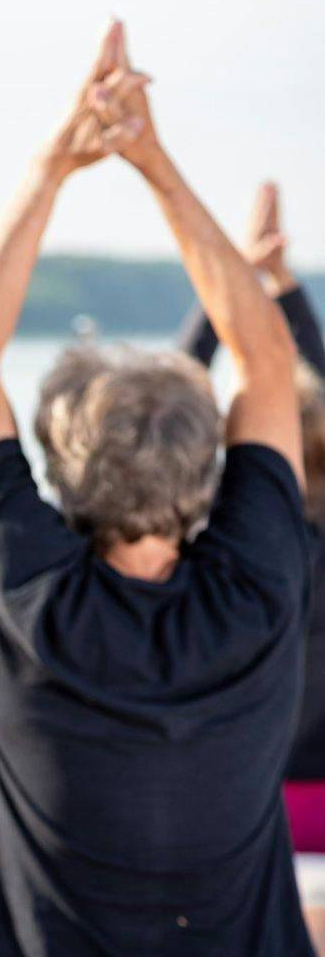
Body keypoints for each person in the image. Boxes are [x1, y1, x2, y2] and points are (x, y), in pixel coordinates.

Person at [0, 21, 312, 955]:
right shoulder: (258, 592)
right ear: (207, 472)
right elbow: (267, 357)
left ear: (64, 469)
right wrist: (152, 158)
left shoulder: (27, 592)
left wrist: (54, 164)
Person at [174, 181, 325, 949]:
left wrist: (226, 278)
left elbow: (167, 402)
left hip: (240, 800)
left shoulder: (211, 558)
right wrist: (283, 288)